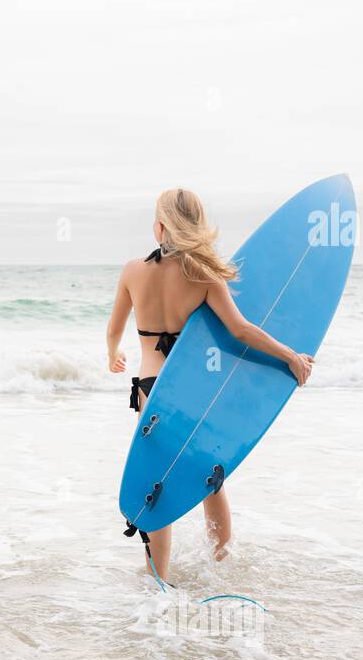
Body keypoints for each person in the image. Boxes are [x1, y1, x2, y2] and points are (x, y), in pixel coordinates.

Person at [105, 188, 314, 584]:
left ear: (160, 225)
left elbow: (113, 329)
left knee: (156, 482)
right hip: (192, 393)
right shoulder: (202, 274)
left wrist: (113, 353)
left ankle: (157, 578)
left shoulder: (132, 270)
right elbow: (241, 330)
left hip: (152, 390)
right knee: (210, 478)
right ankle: (221, 566)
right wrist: (290, 356)